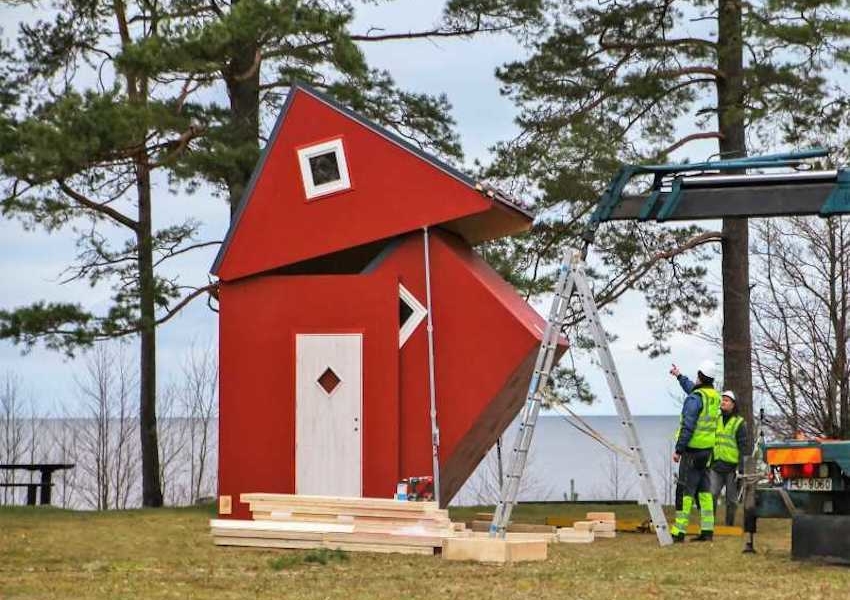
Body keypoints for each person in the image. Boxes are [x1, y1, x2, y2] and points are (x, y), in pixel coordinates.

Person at [669, 360, 721, 542]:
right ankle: (707, 530)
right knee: (704, 490)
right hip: (707, 451)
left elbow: (688, 426)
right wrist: (679, 376)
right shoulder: (713, 396)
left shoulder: (695, 398)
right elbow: (692, 388)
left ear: (700, 376)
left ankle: (679, 531)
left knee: (685, 490)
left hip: (692, 451)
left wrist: (678, 449)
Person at [710, 390, 747, 526]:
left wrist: (741, 468)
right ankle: (709, 524)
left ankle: (729, 525)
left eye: (726, 400)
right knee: (711, 495)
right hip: (716, 466)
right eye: (722, 400)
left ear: (733, 404)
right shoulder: (716, 419)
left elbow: (742, 448)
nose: (723, 402)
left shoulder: (739, 423)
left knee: (731, 500)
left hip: (732, 468)